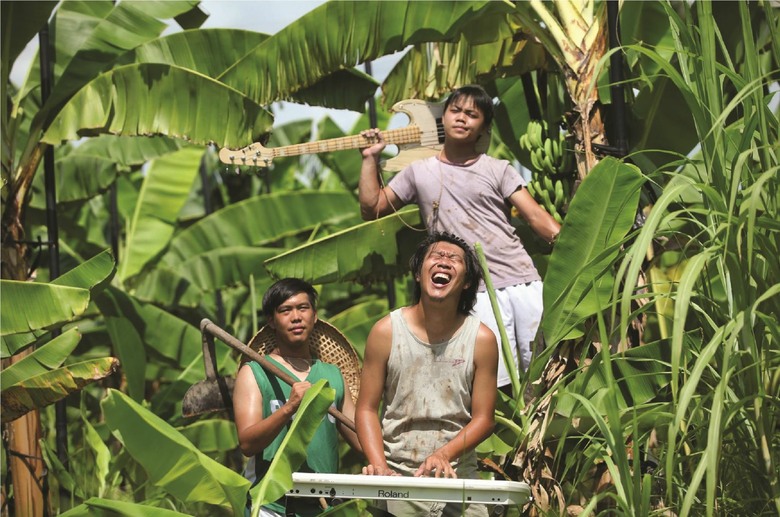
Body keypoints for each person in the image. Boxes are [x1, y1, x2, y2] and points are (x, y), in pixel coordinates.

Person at [358, 84, 561, 394]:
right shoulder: (418, 172)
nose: (462, 118)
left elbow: (535, 216)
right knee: (494, 383)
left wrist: (575, 246)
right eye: (455, 111)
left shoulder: (498, 169)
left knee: (546, 372)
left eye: (472, 114)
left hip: (522, 282)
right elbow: (372, 208)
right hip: (473, 290)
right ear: (444, 118)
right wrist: (370, 158)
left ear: (484, 127)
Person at [355, 232, 498, 517]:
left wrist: (444, 454)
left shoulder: (481, 339)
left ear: (467, 282)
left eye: (454, 259)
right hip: (396, 479)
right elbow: (366, 409)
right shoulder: (386, 331)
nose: (444, 261)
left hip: (457, 478)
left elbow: (484, 419)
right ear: (418, 274)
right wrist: (379, 466)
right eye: (436, 256)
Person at [232, 278, 361, 517]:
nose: (296, 317)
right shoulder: (255, 373)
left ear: (314, 316)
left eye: (303, 308)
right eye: (285, 310)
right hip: (270, 506)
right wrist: (289, 407)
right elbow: (248, 444)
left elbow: (362, 439)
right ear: (271, 321)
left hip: (324, 507)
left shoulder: (333, 375)